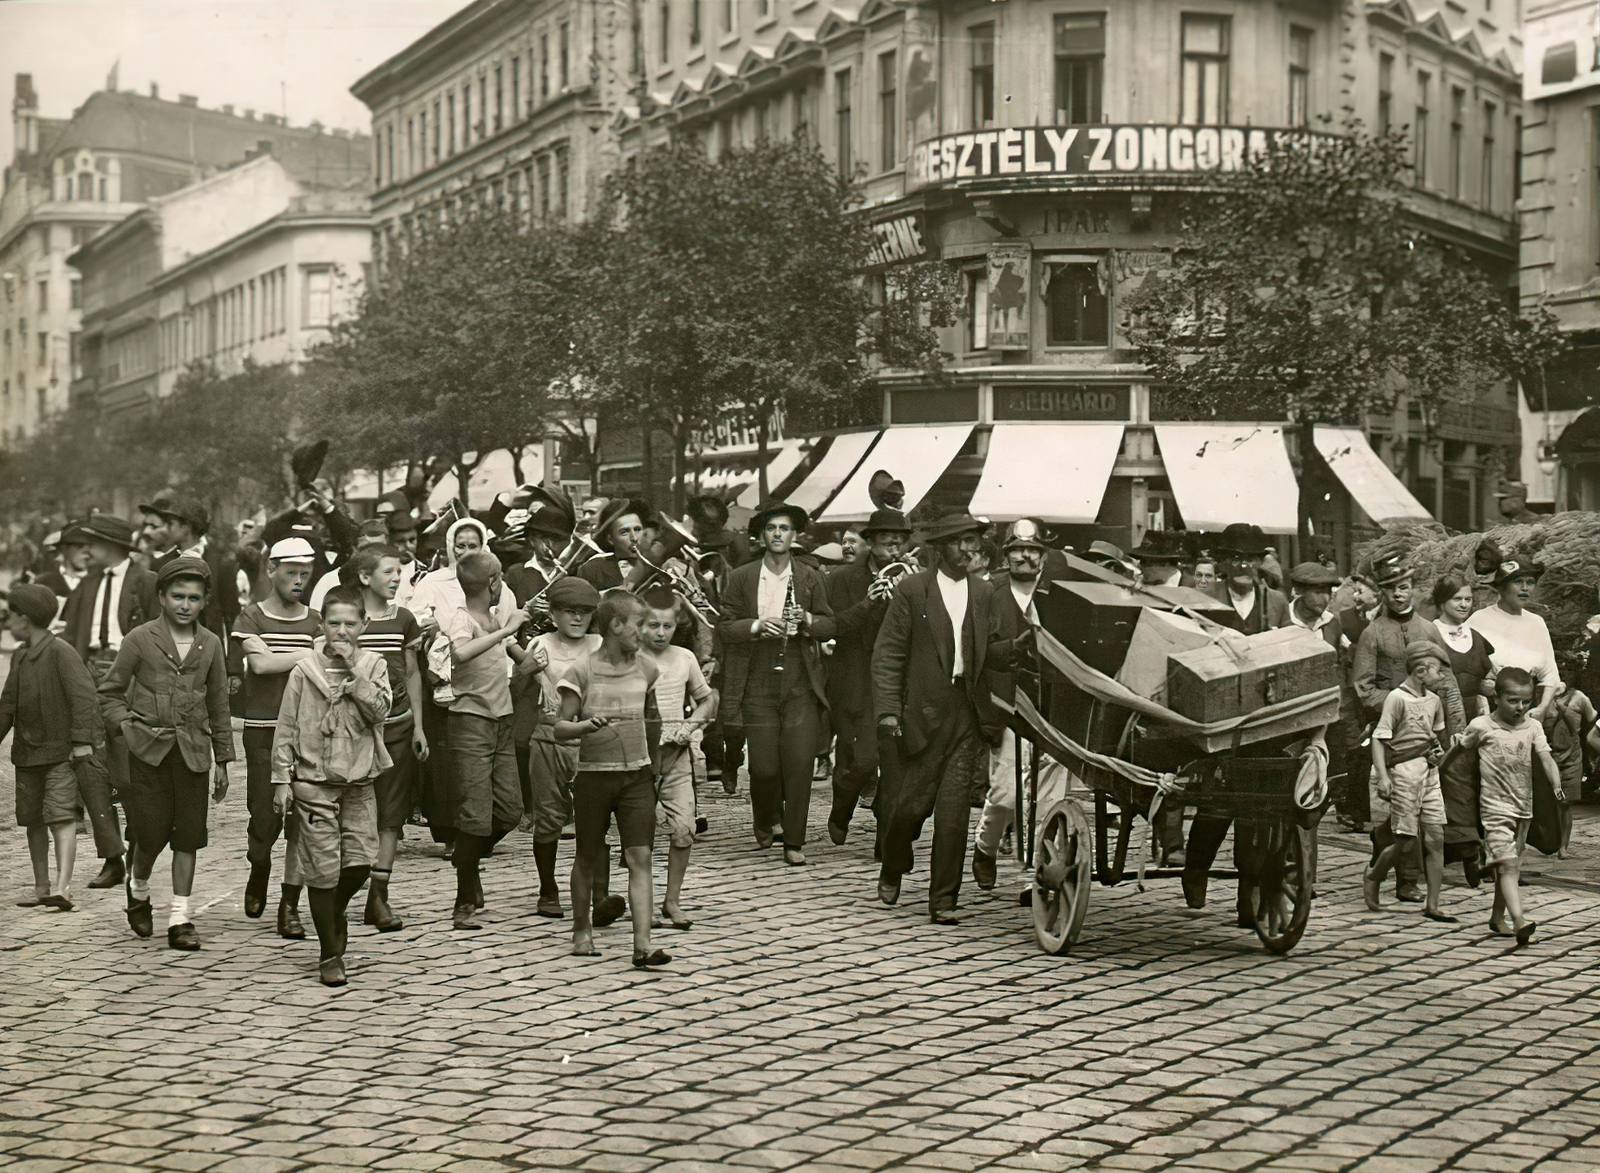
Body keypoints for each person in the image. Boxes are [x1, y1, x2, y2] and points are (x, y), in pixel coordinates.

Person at [872, 513, 1029, 923]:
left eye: (973, 541)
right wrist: (889, 711)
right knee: (908, 808)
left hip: (967, 712)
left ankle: (943, 899)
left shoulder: (983, 591)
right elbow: (888, 655)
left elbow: (988, 650)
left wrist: (1016, 648)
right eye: (961, 542)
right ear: (941, 547)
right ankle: (893, 863)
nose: (969, 549)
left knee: (954, 814)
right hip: (921, 714)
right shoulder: (913, 590)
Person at [98, 556, 234, 951]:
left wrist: (223, 758)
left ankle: (180, 916)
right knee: (151, 834)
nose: (185, 605)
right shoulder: (140, 640)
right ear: (161, 596)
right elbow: (109, 694)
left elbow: (219, 702)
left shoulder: (210, 645)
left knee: (188, 837)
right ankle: (137, 885)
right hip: (148, 754)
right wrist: (129, 726)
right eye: (177, 596)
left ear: (205, 600)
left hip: (192, 753)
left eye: (194, 598)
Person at [268, 585, 391, 986]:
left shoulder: (373, 665)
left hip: (359, 779)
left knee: (358, 863)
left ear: (364, 625)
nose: (341, 631)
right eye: (334, 622)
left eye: (350, 623)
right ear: (321, 624)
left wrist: (355, 677)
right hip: (313, 782)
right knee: (321, 869)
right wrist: (281, 779)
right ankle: (329, 952)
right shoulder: (305, 671)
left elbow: (381, 711)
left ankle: (332, 911)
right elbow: (286, 726)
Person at [554, 590, 669, 967]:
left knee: (641, 857)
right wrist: (585, 725)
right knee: (587, 855)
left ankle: (643, 944)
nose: (646, 632)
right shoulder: (581, 671)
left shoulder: (648, 668)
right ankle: (581, 930)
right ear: (616, 626)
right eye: (640, 624)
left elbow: (653, 719)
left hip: (637, 777)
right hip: (594, 778)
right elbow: (560, 729)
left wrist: (656, 762)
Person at [717, 501, 837, 864]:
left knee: (799, 763)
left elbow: (830, 625)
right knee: (764, 768)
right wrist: (755, 626)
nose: (778, 535)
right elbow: (724, 626)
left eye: (785, 529)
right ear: (761, 536)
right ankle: (768, 818)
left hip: (799, 676)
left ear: (795, 536)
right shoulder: (742, 576)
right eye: (772, 529)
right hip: (757, 677)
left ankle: (794, 841)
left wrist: (806, 619)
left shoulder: (810, 576)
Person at [1351, 553, 1466, 902]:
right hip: (1388, 734)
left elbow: (1445, 680)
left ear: (1413, 589)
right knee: (1391, 809)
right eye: (1390, 589)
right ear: (1381, 593)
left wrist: (1454, 727)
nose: (1398, 595)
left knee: (1425, 811)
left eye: (1403, 587)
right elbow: (1363, 686)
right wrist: (1397, 703)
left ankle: (1409, 879)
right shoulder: (1373, 634)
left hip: (1427, 733)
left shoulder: (1428, 629)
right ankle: (1394, 869)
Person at [61, 513, 159, 890]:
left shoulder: (147, 581)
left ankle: (138, 849)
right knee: (91, 770)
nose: (86, 550)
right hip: (88, 678)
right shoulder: (86, 584)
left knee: (129, 772)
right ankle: (112, 857)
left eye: (93, 543)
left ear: (114, 546)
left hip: (130, 682)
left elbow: (158, 633)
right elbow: (72, 637)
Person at [973, 519, 1071, 887]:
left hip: (1054, 708)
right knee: (1007, 793)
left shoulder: (1058, 594)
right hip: (1007, 706)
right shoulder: (988, 593)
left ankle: (1038, 875)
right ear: (1006, 555)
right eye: (1017, 550)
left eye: (1032, 550)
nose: (1025, 556)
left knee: (1048, 798)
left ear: (1043, 556)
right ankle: (985, 845)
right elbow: (975, 649)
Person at [231, 536, 320, 938]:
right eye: (290, 573)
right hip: (263, 729)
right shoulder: (251, 617)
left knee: (303, 820)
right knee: (264, 815)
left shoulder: (317, 620)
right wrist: (308, 655)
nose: (298, 581)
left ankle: (290, 905)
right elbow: (261, 665)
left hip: (308, 732)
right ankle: (259, 866)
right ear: (271, 571)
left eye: (305, 573)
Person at [442, 551, 536, 930]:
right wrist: (507, 630)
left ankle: (467, 859)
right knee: (475, 816)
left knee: (511, 810)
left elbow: (519, 660)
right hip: (470, 724)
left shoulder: (494, 618)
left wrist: (536, 658)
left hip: (501, 722)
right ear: (494, 583)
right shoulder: (462, 620)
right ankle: (464, 896)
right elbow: (460, 652)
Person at [1, 583, 102, 911]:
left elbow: (84, 696)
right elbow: (7, 706)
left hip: (61, 754)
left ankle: (62, 888)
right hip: (27, 754)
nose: (6, 622)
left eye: (10, 616)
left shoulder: (61, 652)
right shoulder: (20, 655)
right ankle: (42, 887)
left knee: (60, 817)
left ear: (24, 619)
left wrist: (81, 742)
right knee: (32, 820)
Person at [527, 576, 620, 922]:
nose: (577, 619)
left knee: (595, 820)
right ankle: (548, 889)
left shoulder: (601, 644)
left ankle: (600, 896)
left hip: (593, 743)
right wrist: (537, 677)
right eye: (568, 612)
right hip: (550, 739)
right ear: (553, 615)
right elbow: (524, 675)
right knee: (549, 817)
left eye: (584, 612)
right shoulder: (542, 644)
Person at [350, 545, 430, 931]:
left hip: (398, 727)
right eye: (388, 572)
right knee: (352, 811)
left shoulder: (405, 620)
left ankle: (378, 896)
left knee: (391, 815)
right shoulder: (348, 619)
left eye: (400, 572)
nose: (397, 578)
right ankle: (334, 885)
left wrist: (417, 724)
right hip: (354, 733)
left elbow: (413, 672)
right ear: (365, 577)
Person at [823, 507, 913, 850]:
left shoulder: (915, 578)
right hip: (853, 680)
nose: (894, 543)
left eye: (900, 538)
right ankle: (843, 804)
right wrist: (869, 602)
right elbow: (834, 628)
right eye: (886, 537)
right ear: (870, 541)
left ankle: (885, 840)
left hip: (895, 683)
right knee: (858, 761)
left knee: (890, 762)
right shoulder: (842, 579)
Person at [1461, 668, 1561, 945]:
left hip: (1523, 808)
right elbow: (1458, 758)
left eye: (1526, 702)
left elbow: (1546, 757)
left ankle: (1496, 918)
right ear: (1497, 698)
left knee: (1510, 863)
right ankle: (1520, 920)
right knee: (1508, 866)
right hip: (1493, 807)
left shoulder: (1533, 727)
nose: (1521, 708)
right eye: (1513, 701)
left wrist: (1556, 786)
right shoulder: (1481, 726)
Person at [1364, 642, 1454, 922]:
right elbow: (1379, 740)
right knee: (1404, 839)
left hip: (1428, 773)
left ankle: (1433, 903)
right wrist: (1383, 777)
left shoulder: (1434, 701)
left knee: (1436, 837)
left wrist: (1439, 751)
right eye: (1438, 671)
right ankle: (1374, 876)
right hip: (1403, 772)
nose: (1442, 677)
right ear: (1420, 670)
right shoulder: (1397, 698)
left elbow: (1434, 737)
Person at [1467, 557, 1560, 720]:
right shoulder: (1479, 620)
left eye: (1530, 582)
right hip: (1489, 711)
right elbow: (1462, 670)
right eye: (1517, 582)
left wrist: (1543, 708)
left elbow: (1550, 675)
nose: (1525, 588)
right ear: (1501, 587)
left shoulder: (1537, 623)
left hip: (1529, 711)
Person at [1432, 575, 1496, 721]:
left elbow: (1489, 678)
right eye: (1457, 599)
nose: (1464, 605)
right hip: (1438, 718)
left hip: (1475, 718)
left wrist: (1488, 684)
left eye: (1468, 599)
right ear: (1442, 601)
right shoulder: (1429, 634)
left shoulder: (1476, 637)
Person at [1208, 524, 1290, 634]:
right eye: (1236, 560)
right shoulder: (1205, 597)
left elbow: (1289, 643)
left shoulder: (1277, 600)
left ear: (1260, 563)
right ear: (1223, 564)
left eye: (1251, 559)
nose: (1244, 567)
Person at [578, 499, 653, 591]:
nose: (634, 538)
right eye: (625, 532)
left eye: (637, 529)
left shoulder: (654, 566)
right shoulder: (593, 569)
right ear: (610, 539)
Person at [1286, 562, 1344, 648]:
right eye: (1318, 592)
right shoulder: (1284, 620)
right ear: (1299, 590)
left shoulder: (1332, 623)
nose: (1325, 598)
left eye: (1328, 592)